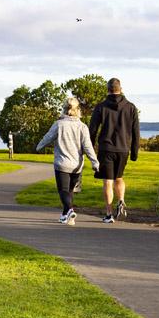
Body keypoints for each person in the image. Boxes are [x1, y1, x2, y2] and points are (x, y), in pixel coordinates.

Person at [35, 97, 99, 225]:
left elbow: (47, 138)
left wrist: (38, 146)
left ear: (64, 109)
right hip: (77, 165)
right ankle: (66, 216)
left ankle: (70, 210)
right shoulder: (83, 127)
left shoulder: (59, 124)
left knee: (63, 191)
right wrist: (94, 162)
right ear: (77, 110)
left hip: (62, 164)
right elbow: (87, 146)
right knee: (69, 191)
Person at [89, 78, 141, 223]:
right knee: (119, 178)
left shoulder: (101, 107)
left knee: (107, 182)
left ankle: (109, 214)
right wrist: (134, 152)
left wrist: (90, 149)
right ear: (121, 88)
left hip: (106, 149)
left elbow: (92, 130)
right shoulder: (131, 107)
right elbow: (136, 132)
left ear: (108, 89)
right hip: (123, 149)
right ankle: (121, 200)